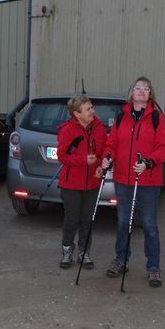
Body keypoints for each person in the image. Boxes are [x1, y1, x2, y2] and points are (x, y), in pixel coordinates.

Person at [101, 76, 165, 287]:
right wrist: (108, 156)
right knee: (123, 222)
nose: (142, 91)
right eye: (138, 88)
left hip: (148, 180)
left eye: (146, 89)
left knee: (149, 224)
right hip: (124, 179)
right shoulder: (121, 117)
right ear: (131, 93)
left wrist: (149, 163)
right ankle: (121, 260)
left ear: (151, 94)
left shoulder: (157, 118)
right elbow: (111, 142)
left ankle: (153, 268)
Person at [56, 95, 107, 269]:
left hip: (93, 182)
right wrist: (83, 160)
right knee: (72, 219)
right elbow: (62, 156)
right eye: (88, 109)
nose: (93, 111)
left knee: (88, 219)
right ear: (77, 114)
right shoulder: (67, 130)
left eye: (92, 107)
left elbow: (105, 151)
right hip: (71, 184)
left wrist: (101, 165)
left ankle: (84, 252)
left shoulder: (99, 128)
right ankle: (67, 251)